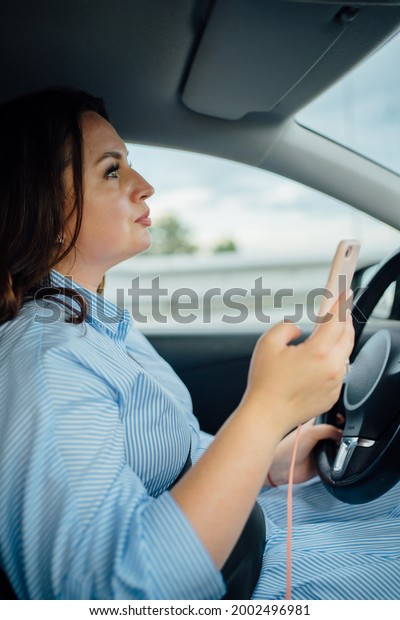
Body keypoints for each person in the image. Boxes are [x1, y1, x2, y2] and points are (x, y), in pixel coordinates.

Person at [0, 88, 398, 601]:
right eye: (112, 171)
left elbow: (167, 465)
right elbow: (104, 596)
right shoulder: (45, 364)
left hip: (256, 541)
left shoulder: (98, 328)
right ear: (44, 208)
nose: (145, 187)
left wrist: (265, 467)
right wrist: (266, 409)